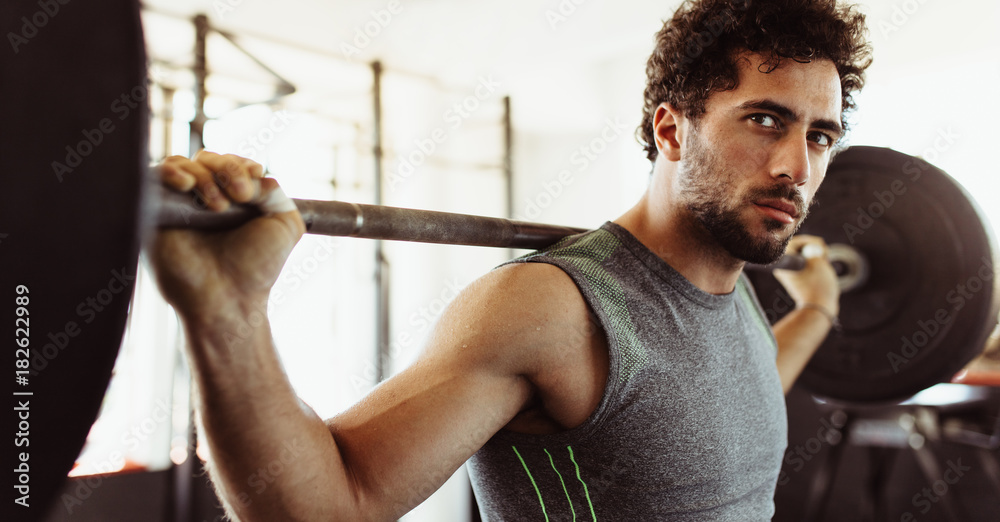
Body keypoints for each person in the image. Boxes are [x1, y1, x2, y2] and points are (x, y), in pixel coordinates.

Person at [151, 0, 872, 519]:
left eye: (819, 137)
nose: (795, 167)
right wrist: (228, 311)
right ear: (672, 129)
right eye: (766, 120)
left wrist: (816, 309)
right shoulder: (552, 310)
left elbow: (736, 392)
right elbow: (330, 504)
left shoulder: (734, 286)